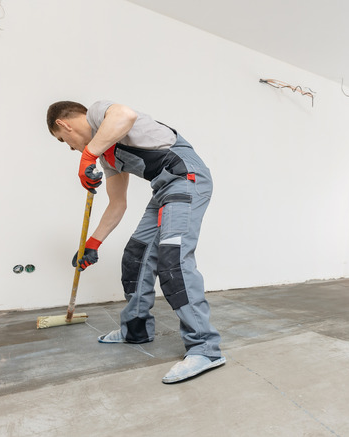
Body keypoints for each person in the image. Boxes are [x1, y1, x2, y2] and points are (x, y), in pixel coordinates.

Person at [46, 100, 225, 384]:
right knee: (136, 256)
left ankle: (205, 348)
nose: (70, 147)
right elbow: (117, 204)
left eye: (63, 141)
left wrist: (87, 156)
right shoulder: (106, 155)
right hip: (164, 190)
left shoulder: (99, 114)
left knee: (173, 259)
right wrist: (92, 243)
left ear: (64, 125)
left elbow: (125, 115)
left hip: (186, 178)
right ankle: (135, 329)